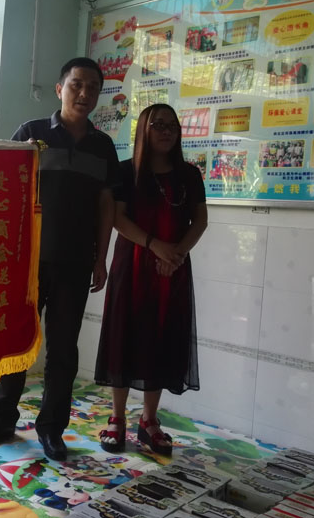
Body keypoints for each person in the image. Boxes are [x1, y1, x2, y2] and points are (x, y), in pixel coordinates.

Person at [0, 57, 120, 461]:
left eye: (93, 87)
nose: (84, 93)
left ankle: (52, 428)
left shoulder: (103, 146)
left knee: (64, 350)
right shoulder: (31, 133)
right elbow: (3, 189)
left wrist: (101, 258)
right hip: (27, 262)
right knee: (15, 342)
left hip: (76, 262)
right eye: (76, 85)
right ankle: (1, 418)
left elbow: (107, 206)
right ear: (60, 89)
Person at [94, 103, 207, 457]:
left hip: (173, 268)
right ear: (144, 128)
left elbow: (200, 221)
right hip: (132, 266)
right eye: (158, 124)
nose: (167, 131)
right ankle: (116, 418)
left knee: (161, 339)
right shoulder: (127, 172)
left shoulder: (190, 175)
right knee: (123, 337)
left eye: (172, 125)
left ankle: (149, 420)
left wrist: (176, 254)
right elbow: (118, 219)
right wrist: (156, 246)